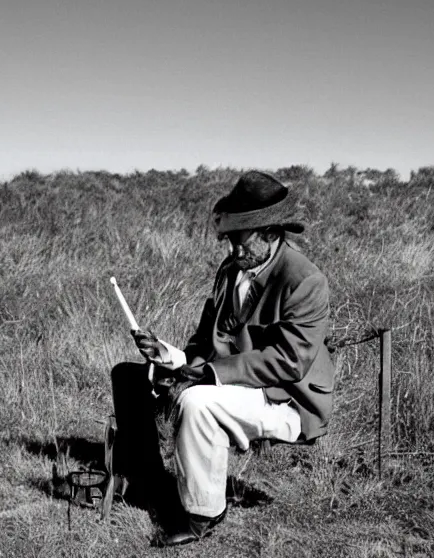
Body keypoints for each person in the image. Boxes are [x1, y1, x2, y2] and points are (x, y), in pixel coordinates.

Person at [110, 170, 335, 547]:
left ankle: (202, 513)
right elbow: (206, 339)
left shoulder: (304, 280)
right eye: (229, 240)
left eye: (240, 240)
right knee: (129, 376)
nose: (233, 251)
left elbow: (288, 362)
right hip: (235, 381)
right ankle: (148, 480)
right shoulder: (232, 271)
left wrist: (207, 375)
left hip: (287, 397)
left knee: (197, 400)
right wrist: (169, 355)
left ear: (269, 234)